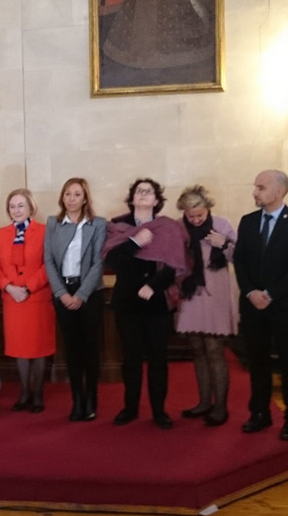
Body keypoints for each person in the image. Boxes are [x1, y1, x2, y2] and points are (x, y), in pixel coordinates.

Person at [234, 170, 288, 441]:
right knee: (257, 363)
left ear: (278, 192)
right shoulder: (247, 222)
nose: (255, 192)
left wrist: (269, 294)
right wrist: (250, 292)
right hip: (252, 306)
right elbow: (240, 262)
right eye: (255, 186)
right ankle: (259, 413)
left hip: (285, 307)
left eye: (260, 187)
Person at [103, 178, 188, 430]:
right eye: (138, 191)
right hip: (127, 301)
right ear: (132, 198)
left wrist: (153, 286)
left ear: (156, 199)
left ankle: (159, 410)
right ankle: (129, 408)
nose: (142, 195)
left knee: (158, 359)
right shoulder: (118, 226)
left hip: (156, 302)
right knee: (130, 359)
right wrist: (135, 242)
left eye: (148, 192)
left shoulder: (168, 227)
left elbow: (174, 264)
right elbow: (113, 260)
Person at [174, 185, 238, 426]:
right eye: (191, 216)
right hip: (191, 293)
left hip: (217, 293)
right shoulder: (179, 228)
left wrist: (223, 244)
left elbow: (239, 256)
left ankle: (220, 407)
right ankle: (203, 402)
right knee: (198, 348)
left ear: (208, 208)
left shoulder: (222, 224)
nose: (196, 219)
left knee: (214, 348)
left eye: (199, 214)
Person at [44, 178, 107, 421]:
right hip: (63, 290)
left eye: (77, 194)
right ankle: (77, 399)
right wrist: (62, 294)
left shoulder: (98, 224)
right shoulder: (54, 223)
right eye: (67, 194)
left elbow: (99, 262)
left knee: (90, 348)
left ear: (85, 198)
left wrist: (81, 295)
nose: (71, 198)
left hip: (90, 292)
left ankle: (91, 398)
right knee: (72, 349)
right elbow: (48, 260)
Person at [0, 189, 56, 413]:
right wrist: (9, 287)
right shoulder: (1, 233)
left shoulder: (45, 231)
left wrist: (28, 288)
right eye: (12, 206)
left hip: (37, 298)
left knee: (38, 348)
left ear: (31, 207)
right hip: (12, 300)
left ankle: (37, 393)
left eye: (21, 205)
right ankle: (24, 392)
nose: (16, 210)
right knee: (19, 348)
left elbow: (49, 265)